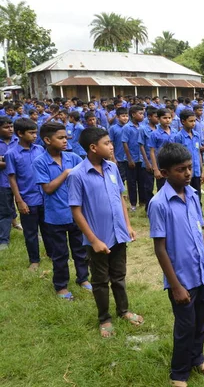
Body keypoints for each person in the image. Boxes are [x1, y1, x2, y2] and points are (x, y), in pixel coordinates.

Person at [147, 143, 204, 385]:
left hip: (199, 274)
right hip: (181, 279)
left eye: (189, 167)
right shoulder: (159, 204)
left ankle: (197, 359)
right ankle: (178, 373)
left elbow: (199, 235)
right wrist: (175, 285)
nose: (188, 173)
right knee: (185, 327)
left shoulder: (193, 196)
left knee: (200, 322)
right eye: (181, 169)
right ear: (165, 173)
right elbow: (160, 248)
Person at [68, 127, 143, 337]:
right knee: (100, 280)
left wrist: (127, 226)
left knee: (119, 276)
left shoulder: (111, 167)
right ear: (93, 147)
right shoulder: (77, 175)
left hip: (119, 234)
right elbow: (76, 210)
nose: (111, 146)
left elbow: (120, 198)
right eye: (107, 143)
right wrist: (93, 240)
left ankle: (124, 310)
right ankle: (104, 318)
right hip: (98, 239)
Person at [33, 122, 90, 300]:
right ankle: (61, 286)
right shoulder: (40, 162)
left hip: (76, 214)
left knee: (80, 249)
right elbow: (48, 189)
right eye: (61, 138)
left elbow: (86, 175)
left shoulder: (72, 157)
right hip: (55, 216)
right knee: (60, 254)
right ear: (47, 140)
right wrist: (66, 173)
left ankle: (83, 278)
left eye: (66, 137)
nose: (65, 140)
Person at [6, 119, 49, 269]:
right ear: (20, 134)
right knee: (31, 232)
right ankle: (34, 260)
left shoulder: (40, 149)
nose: (34, 136)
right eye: (31, 133)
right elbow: (12, 177)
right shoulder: (12, 154)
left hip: (44, 196)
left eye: (35, 132)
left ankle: (52, 254)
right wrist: (19, 200)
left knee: (48, 229)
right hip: (28, 198)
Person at [170, 110, 204, 195]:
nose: (193, 123)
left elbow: (198, 153)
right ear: (183, 121)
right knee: (186, 195)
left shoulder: (196, 135)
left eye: (194, 121)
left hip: (196, 171)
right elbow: (177, 157)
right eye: (191, 121)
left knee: (197, 195)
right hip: (185, 173)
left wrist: (202, 171)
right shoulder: (179, 137)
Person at [122, 105, 146, 211]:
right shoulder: (127, 127)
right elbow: (125, 143)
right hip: (131, 159)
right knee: (131, 182)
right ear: (133, 115)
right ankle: (133, 204)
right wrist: (130, 159)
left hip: (141, 159)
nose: (142, 116)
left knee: (142, 181)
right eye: (140, 114)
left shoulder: (142, 126)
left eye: (143, 113)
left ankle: (142, 201)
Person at [0, 117, 18, 249]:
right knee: (5, 210)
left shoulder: (18, 141)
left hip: (20, 182)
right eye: (6, 127)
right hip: (4, 182)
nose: (10, 129)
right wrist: (13, 162)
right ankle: (4, 239)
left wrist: (4, 161)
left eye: (11, 126)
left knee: (28, 209)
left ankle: (32, 233)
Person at [139, 107, 158, 211]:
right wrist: (146, 162)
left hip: (158, 162)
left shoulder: (159, 129)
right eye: (156, 117)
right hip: (148, 161)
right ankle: (149, 207)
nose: (158, 119)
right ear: (149, 117)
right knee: (148, 186)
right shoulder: (143, 129)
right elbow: (141, 146)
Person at [149, 108, 173, 191]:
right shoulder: (154, 134)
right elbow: (152, 152)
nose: (167, 120)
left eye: (169, 118)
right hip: (161, 165)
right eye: (165, 118)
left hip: (173, 164)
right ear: (159, 119)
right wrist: (155, 169)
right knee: (162, 188)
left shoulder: (175, 132)